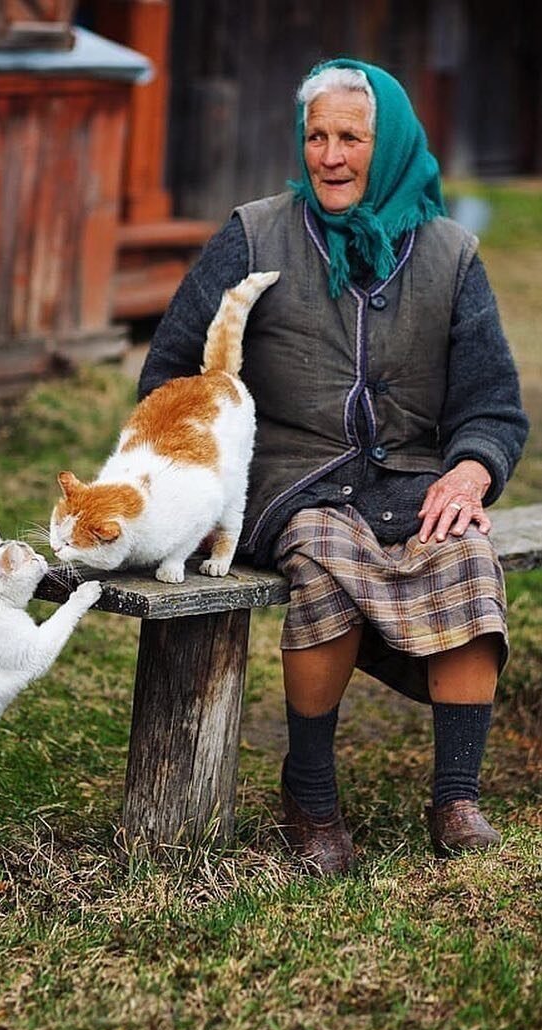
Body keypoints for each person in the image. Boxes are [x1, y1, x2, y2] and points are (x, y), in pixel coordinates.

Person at [138, 58, 528, 875]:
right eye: (315, 136)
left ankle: (456, 797)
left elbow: (490, 402)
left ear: (388, 148)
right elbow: (171, 370)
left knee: (463, 552)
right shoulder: (255, 231)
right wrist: (200, 469)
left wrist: (468, 473)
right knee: (324, 555)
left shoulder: (450, 254)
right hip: (289, 483)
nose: (329, 155)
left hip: (408, 477)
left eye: (351, 137)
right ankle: (310, 796)